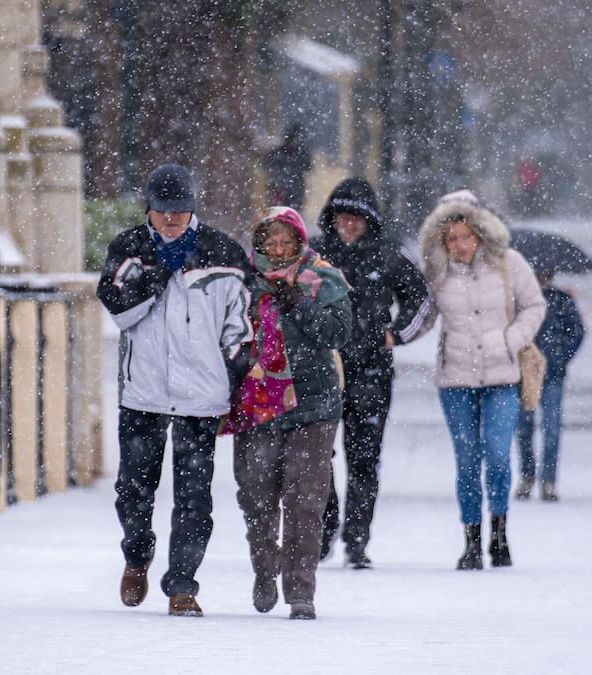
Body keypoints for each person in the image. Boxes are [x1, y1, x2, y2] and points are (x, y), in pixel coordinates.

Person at [96, 163, 252, 618]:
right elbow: (119, 310)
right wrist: (157, 274)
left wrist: (233, 379)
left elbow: (238, 327)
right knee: (133, 491)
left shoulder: (222, 251)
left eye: (180, 210)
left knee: (194, 498)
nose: (171, 219)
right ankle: (137, 555)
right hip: (142, 393)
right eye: (163, 210)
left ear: (193, 207)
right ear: (149, 208)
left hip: (201, 398)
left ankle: (182, 586)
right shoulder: (129, 248)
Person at [233, 206, 352, 620]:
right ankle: (265, 569)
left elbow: (340, 333)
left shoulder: (323, 277)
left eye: (287, 242)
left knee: (305, 500)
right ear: (259, 244)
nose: (279, 250)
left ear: (301, 242)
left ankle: (302, 590)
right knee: (256, 496)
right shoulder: (244, 282)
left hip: (314, 404)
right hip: (258, 403)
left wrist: (300, 304)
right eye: (271, 242)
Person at [417, 190, 545, 571]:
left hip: (502, 376)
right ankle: (471, 540)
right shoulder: (437, 273)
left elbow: (534, 306)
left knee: (497, 454)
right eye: (452, 238)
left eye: (466, 235)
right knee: (467, 460)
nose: (460, 245)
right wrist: (387, 334)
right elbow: (422, 316)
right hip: (455, 379)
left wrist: (512, 339)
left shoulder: (509, 264)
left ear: (481, 233)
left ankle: (499, 533)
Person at [311, 177, 432, 569]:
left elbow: (422, 300)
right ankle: (325, 530)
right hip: (322, 373)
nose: (348, 223)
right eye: (342, 215)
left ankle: (357, 541)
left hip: (372, 375)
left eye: (357, 217)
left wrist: (395, 335)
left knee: (364, 459)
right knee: (317, 456)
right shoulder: (313, 254)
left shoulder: (391, 254)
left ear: (370, 220)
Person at [514, 273, 585, 502]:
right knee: (524, 428)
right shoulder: (517, 300)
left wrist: (561, 357)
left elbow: (576, 331)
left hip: (552, 372)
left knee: (551, 428)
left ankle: (548, 480)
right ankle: (528, 476)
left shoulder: (560, 300)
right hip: (524, 373)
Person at [265, 122, 312, 211]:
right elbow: (267, 164)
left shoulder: (300, 153)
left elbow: (308, 167)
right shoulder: (281, 152)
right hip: (282, 188)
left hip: (291, 189)